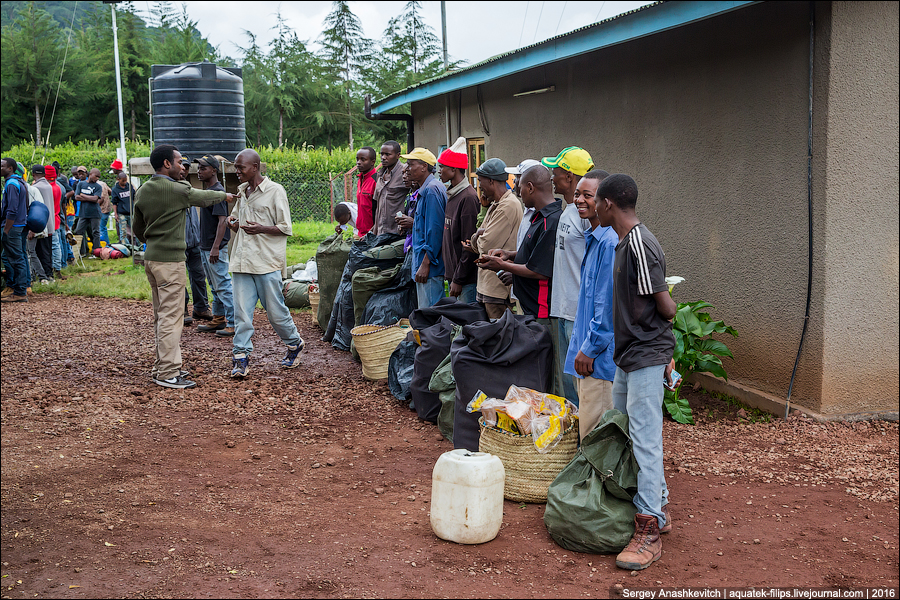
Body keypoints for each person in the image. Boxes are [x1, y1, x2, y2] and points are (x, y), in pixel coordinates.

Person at [594, 174, 677, 571]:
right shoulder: (625, 243)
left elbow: (668, 307)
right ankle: (657, 504)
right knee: (629, 429)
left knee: (645, 438)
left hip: (645, 353)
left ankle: (649, 530)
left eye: (596, 200)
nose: (591, 206)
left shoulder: (640, 245)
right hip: (632, 353)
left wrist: (664, 351)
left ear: (609, 204)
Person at [132, 144, 233, 390]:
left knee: (161, 315)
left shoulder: (144, 190)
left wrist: (153, 241)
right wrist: (227, 196)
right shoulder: (178, 190)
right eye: (179, 162)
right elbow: (204, 198)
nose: (183, 167)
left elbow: (137, 228)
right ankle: (167, 373)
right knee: (172, 317)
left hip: (152, 259)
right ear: (166, 164)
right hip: (170, 262)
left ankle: (163, 365)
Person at [227, 148, 304, 379]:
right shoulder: (242, 191)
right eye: (236, 166)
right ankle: (240, 357)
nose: (237, 171)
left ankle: (294, 343)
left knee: (275, 313)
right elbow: (235, 216)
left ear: (255, 167)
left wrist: (260, 228)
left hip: (266, 263)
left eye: (241, 167)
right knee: (241, 313)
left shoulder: (274, 191)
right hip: (241, 261)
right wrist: (234, 222)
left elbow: (285, 227)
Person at [564, 170, 617, 434]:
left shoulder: (609, 243)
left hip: (597, 360)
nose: (580, 200)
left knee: (596, 439)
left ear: (605, 201)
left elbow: (605, 306)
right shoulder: (593, 238)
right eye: (577, 194)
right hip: (584, 355)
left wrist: (591, 348)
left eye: (588, 195)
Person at [542, 146, 596, 404]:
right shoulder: (568, 210)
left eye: (557, 171)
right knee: (565, 381)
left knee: (579, 383)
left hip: (577, 312)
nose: (552, 176)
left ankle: (584, 437)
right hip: (561, 309)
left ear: (570, 177)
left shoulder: (587, 216)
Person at [476, 165, 561, 326]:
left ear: (530, 187)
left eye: (519, 186)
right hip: (529, 306)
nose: (518, 192)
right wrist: (509, 254)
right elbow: (536, 253)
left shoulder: (550, 222)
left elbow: (539, 271)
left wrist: (503, 265)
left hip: (541, 311)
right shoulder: (537, 216)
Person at [464, 158, 523, 319]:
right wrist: (478, 235)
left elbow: (484, 246)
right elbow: (478, 243)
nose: (479, 186)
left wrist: (478, 236)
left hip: (497, 289)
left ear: (491, 181)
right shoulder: (495, 204)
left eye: (480, 181)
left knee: (499, 337)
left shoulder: (507, 206)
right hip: (487, 286)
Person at [193, 154, 235, 337]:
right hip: (206, 246)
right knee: (214, 285)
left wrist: (216, 247)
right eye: (199, 168)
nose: (199, 171)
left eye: (203, 168)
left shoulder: (218, 192)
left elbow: (222, 221)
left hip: (213, 247)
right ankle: (218, 319)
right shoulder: (208, 192)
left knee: (224, 285)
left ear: (214, 170)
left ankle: (234, 323)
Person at [402, 147, 447, 309]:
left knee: (430, 317)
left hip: (430, 268)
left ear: (424, 166)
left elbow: (435, 231)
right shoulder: (425, 189)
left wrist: (426, 263)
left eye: (410, 164)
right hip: (424, 263)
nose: (406, 169)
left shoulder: (431, 190)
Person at [438, 137, 479, 304]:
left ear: (454, 169)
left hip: (465, 281)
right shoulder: (453, 195)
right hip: (455, 277)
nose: (439, 171)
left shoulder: (468, 198)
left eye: (442, 167)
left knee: (468, 325)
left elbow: (468, 245)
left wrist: (459, 279)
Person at [502, 159, 542, 311]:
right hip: (521, 291)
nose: (516, 183)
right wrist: (510, 255)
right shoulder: (527, 210)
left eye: (518, 178)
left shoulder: (540, 216)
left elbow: (539, 263)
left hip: (532, 295)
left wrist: (513, 272)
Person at [179, 158, 212, 326]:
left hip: (194, 241)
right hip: (178, 243)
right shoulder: (172, 190)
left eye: (186, 168)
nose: (183, 170)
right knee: (179, 278)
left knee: (199, 275)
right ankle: (182, 309)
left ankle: (201, 307)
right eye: (181, 167)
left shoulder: (189, 188)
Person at [1, 157, 30, 302]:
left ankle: (19, 292)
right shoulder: (20, 182)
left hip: (12, 227)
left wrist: (6, 230)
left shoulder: (11, 184)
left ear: (10, 168)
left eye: (2, 166)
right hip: (19, 225)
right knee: (18, 257)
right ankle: (21, 289)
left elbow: (11, 210)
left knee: (16, 259)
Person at [372, 140, 409, 235]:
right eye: (381, 154)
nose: (383, 158)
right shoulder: (380, 175)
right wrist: (373, 232)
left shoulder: (405, 173)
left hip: (397, 233)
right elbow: (378, 207)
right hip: (381, 232)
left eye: (387, 154)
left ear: (398, 155)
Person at [29, 165, 56, 284]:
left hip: (40, 224)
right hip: (50, 223)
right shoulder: (48, 186)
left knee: (40, 251)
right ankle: (49, 274)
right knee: (48, 250)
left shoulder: (35, 187)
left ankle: (45, 275)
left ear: (33, 174)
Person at [43, 165, 68, 279]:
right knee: (57, 245)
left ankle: (55, 269)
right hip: (57, 218)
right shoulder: (59, 187)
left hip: (49, 220)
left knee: (53, 246)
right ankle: (58, 267)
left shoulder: (47, 188)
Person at [73, 168, 103, 257]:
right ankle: (83, 251)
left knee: (95, 232)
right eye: (96, 176)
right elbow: (76, 197)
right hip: (83, 213)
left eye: (98, 177)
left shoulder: (98, 186)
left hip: (95, 213)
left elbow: (95, 199)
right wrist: (90, 197)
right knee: (79, 231)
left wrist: (83, 196)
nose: (97, 178)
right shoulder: (81, 184)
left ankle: (96, 251)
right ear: (91, 174)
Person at [355, 147, 377, 235]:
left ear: (372, 162)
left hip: (372, 234)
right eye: (357, 159)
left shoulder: (377, 181)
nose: (358, 162)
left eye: (363, 160)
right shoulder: (360, 179)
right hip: (360, 232)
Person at [111, 171, 135, 247]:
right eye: (123, 180)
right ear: (118, 179)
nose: (124, 182)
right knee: (123, 231)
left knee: (135, 229)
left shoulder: (129, 186)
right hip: (122, 213)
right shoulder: (115, 189)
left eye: (125, 180)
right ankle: (125, 246)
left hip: (131, 212)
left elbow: (134, 198)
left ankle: (136, 245)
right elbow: (114, 203)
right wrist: (115, 214)